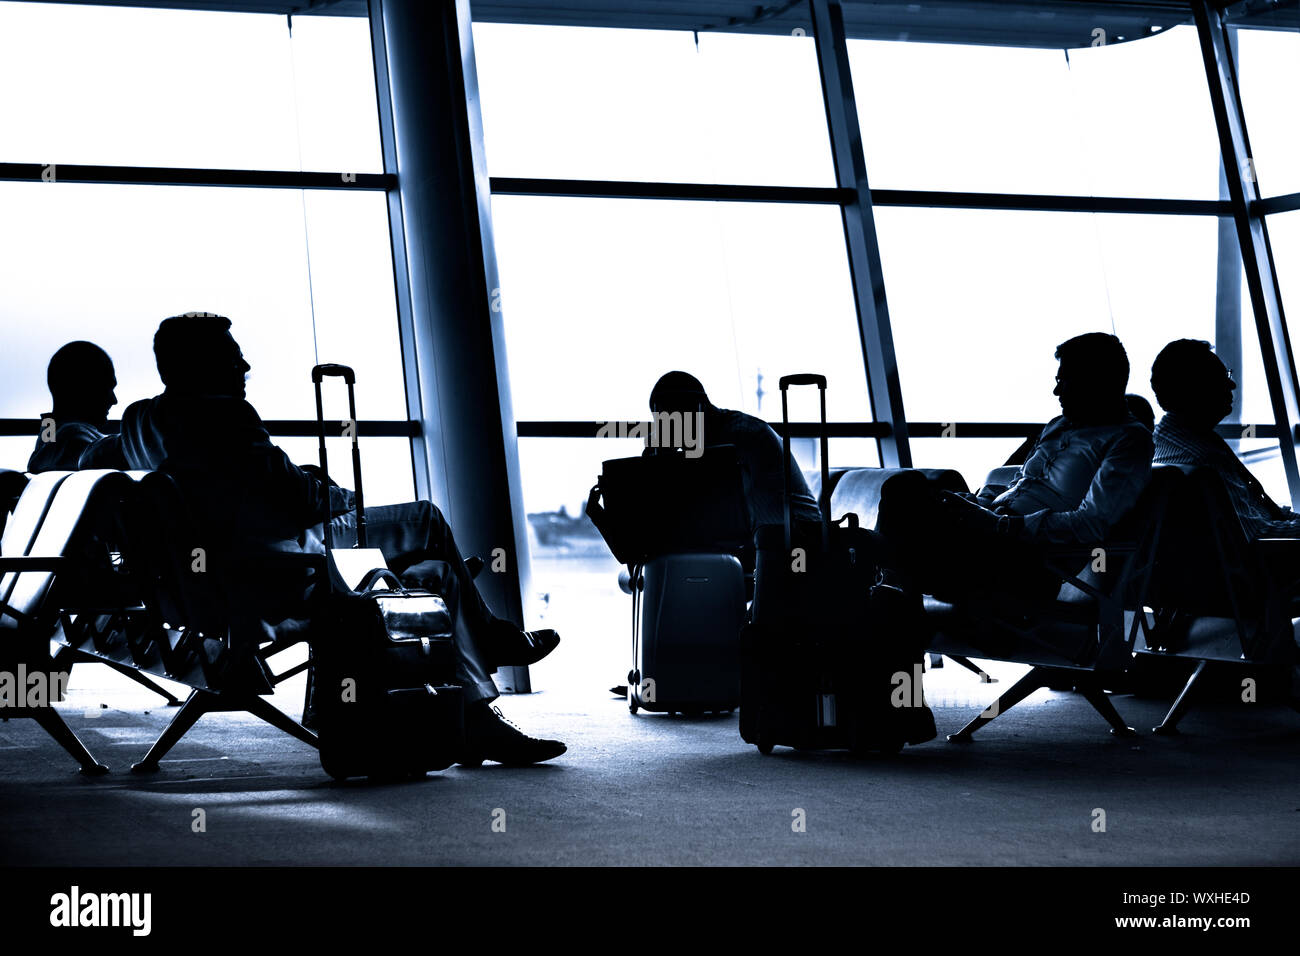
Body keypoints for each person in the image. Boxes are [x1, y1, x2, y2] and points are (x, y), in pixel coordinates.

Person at [81, 314, 564, 765]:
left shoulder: (141, 420)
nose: (245, 365)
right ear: (200, 366)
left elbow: (99, 465)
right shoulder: (224, 416)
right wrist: (341, 493)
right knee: (425, 518)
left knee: (434, 576)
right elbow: (302, 500)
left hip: (197, 589)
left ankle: (477, 719)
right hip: (271, 579)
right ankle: (492, 638)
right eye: (233, 356)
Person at [876, 332, 1153, 605]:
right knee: (908, 490)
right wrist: (976, 503)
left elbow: (1092, 523)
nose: (1056, 391)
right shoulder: (1057, 425)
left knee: (902, 503)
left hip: (1030, 561)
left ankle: (879, 580)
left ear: (1095, 381)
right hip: (990, 540)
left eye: (1065, 381)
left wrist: (1002, 524)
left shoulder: (1128, 439)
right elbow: (1019, 485)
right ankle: (886, 588)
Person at [1150, 339, 1300, 537]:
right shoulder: (1204, 459)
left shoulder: (1166, 440)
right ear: (1195, 389)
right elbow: (1256, 535)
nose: (1232, 383)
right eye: (1220, 378)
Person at [647, 371, 823, 538]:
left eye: (670, 423)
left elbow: (705, 504)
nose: (668, 433)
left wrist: (662, 464)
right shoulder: (715, 438)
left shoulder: (740, 436)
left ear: (693, 413)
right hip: (772, 537)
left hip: (798, 537)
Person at [28, 342, 118, 473]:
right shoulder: (70, 437)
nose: (114, 400)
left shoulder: (49, 433)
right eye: (107, 388)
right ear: (80, 389)